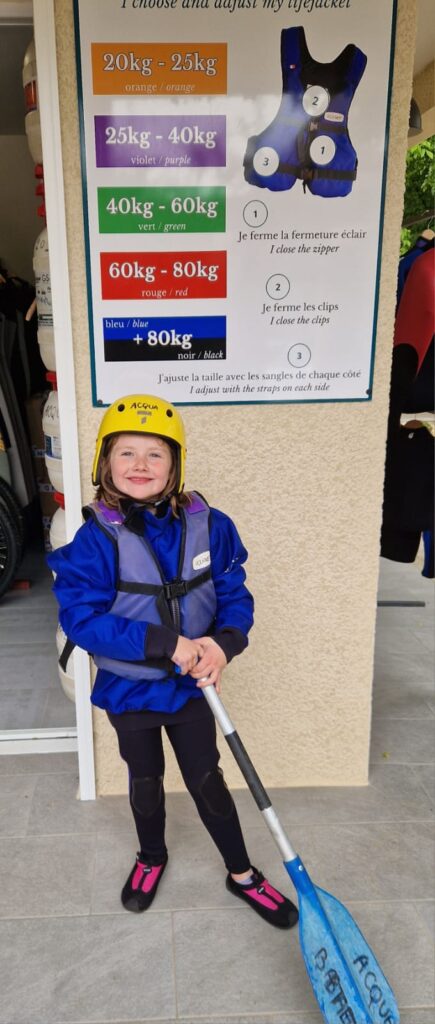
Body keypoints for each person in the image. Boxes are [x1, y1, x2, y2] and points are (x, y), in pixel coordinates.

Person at [48, 394, 298, 929]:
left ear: (175, 464)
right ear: (105, 463)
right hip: (130, 690)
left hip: (191, 688)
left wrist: (222, 645)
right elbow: (82, 621)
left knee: (207, 778)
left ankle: (242, 873)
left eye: (155, 454)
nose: (140, 465)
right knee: (145, 779)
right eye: (126, 452)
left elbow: (234, 595)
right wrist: (168, 642)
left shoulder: (212, 525)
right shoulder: (95, 540)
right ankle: (151, 856)